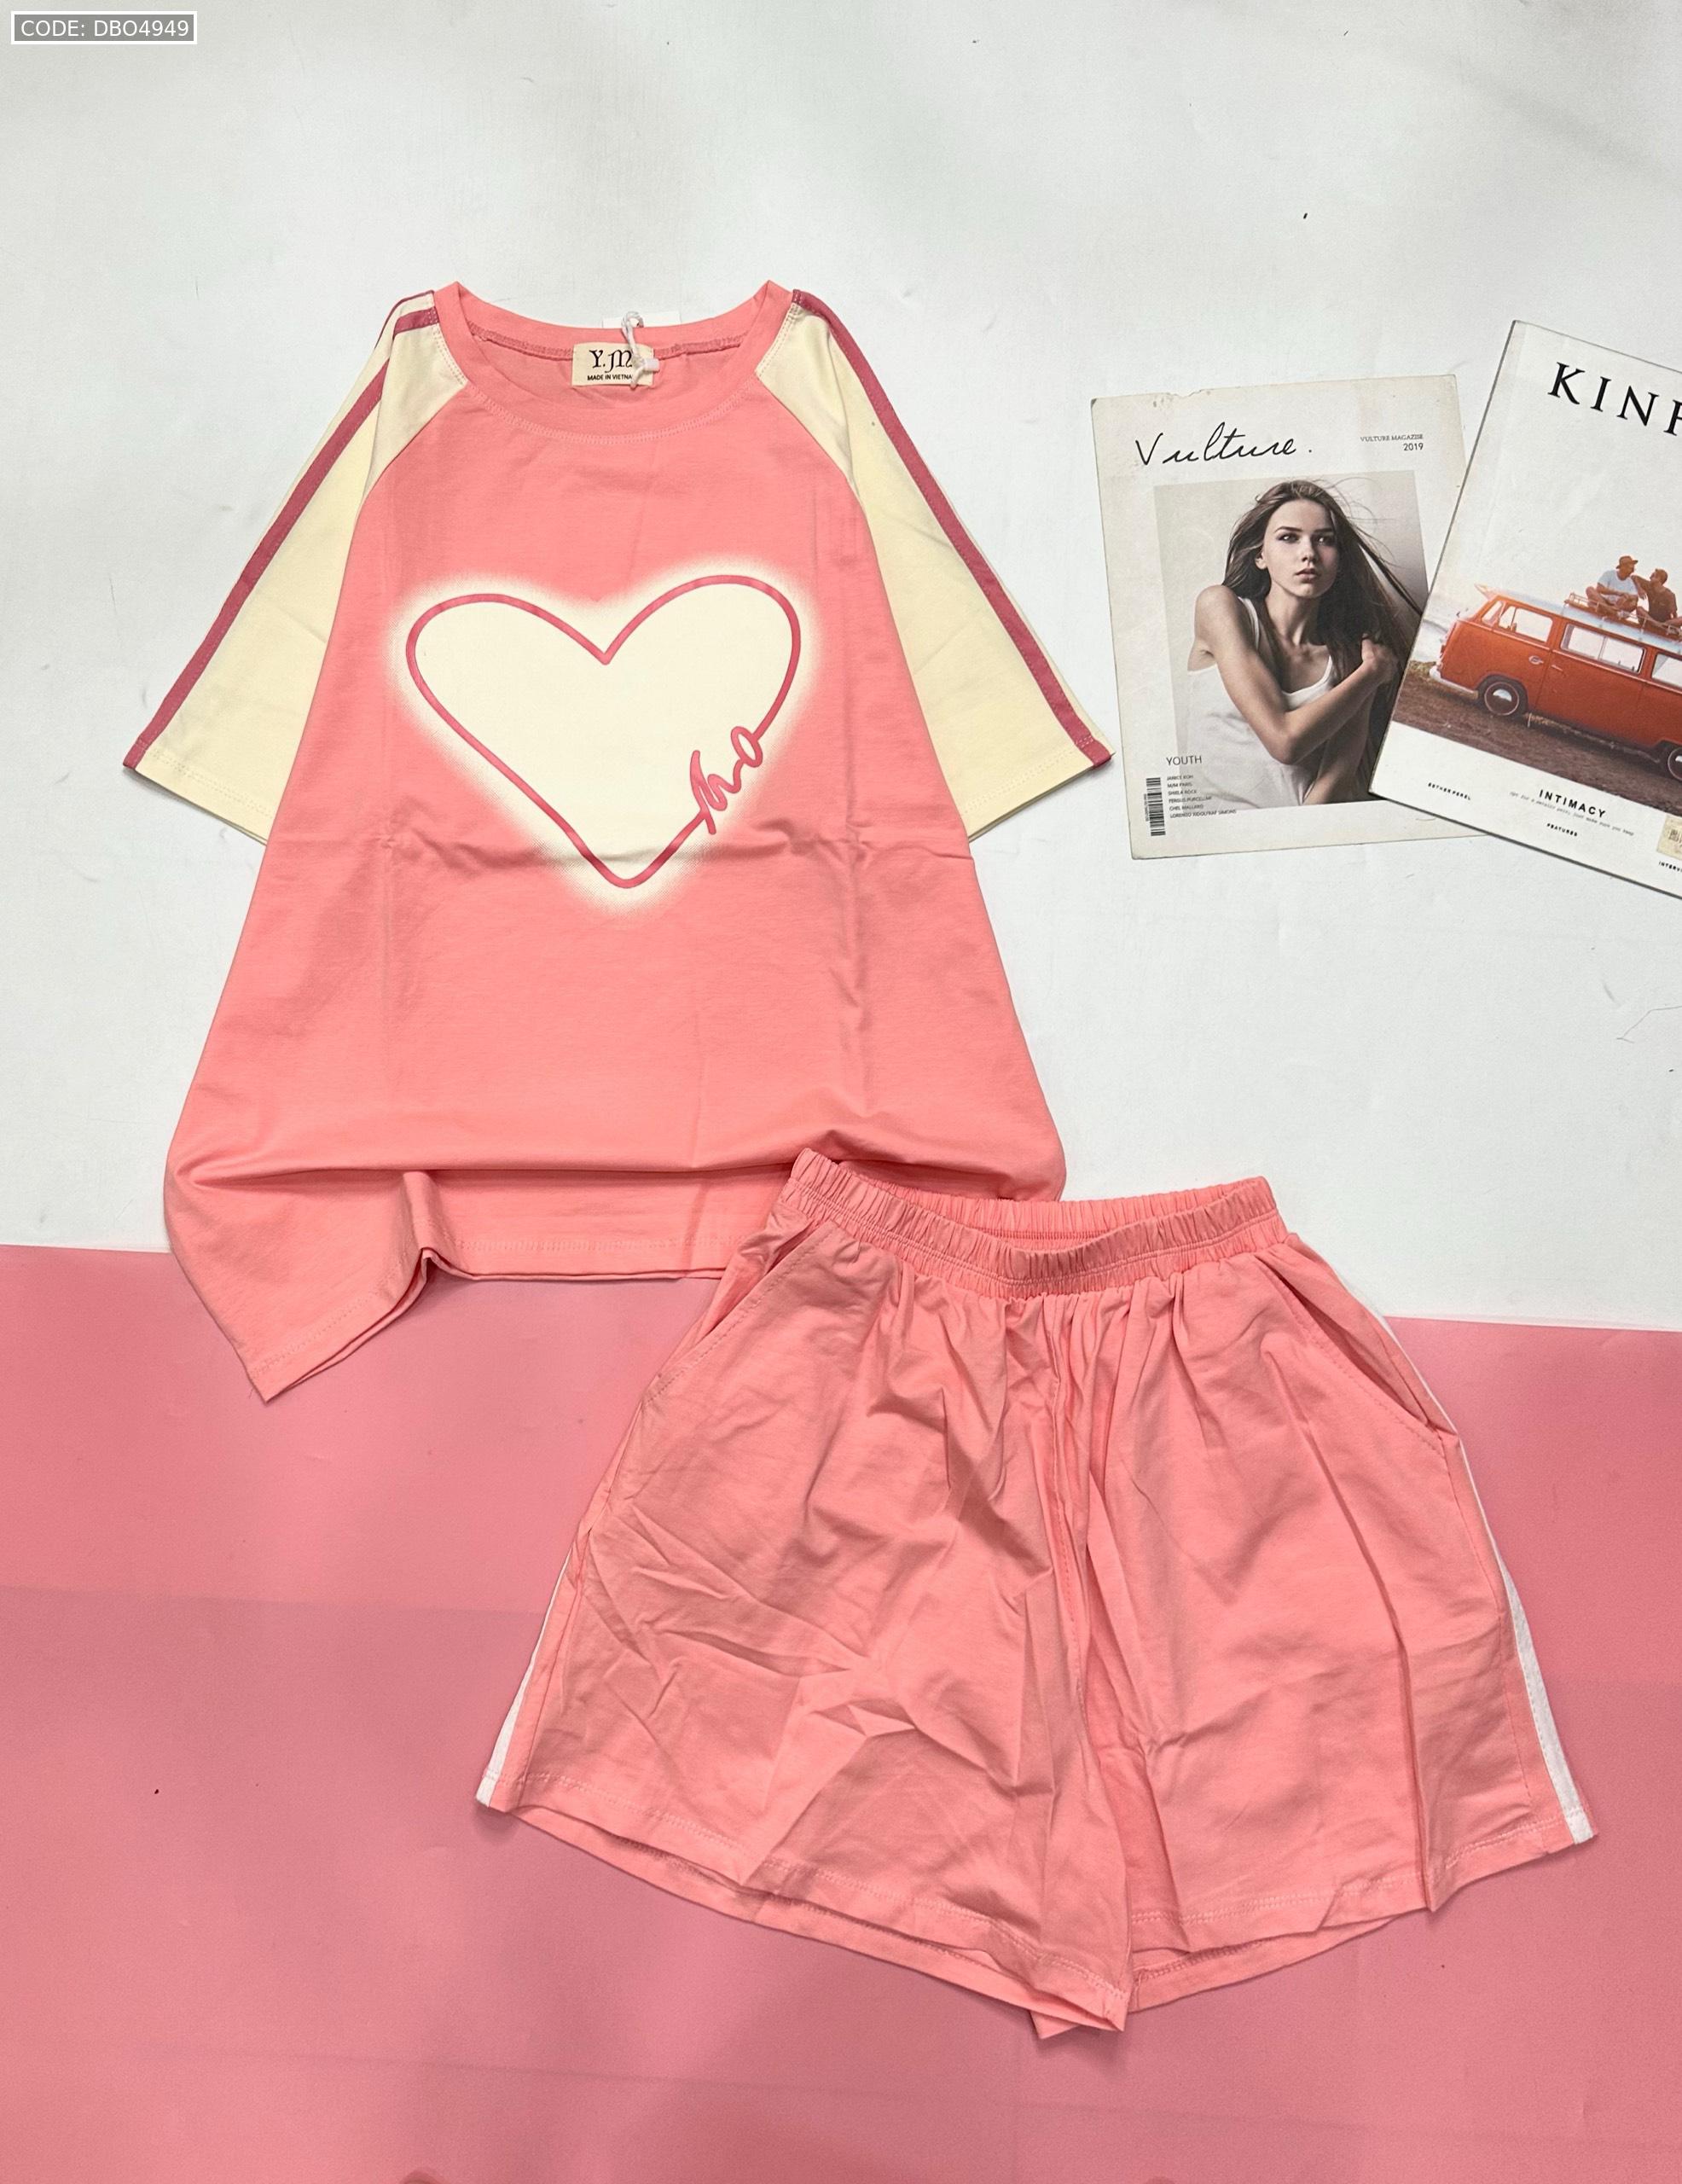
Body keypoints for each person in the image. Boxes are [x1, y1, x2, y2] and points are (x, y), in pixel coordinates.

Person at [1183, 479, 1418, 809]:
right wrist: (1371, 676)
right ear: (1260, 555)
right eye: (1288, 538)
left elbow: (1332, 786)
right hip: (1218, 831)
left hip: (1306, 830)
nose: (1308, 553)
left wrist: (1367, 676)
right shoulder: (1221, 608)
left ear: (1339, 560)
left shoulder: (1351, 658)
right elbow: (1284, 742)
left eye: (1324, 540)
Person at [1586, 555, 1642, 619]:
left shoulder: (1630, 582)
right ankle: (1611, 612)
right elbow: (1599, 588)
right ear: (1623, 567)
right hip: (1602, 601)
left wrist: (1627, 596)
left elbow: (1635, 597)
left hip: (1617, 607)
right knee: (1590, 589)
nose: (1632, 571)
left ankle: (1606, 610)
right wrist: (1618, 593)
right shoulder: (1609, 574)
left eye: (1633, 569)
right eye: (1631, 568)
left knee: (1633, 603)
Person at [1637, 566, 1679, 636]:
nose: (1650, 577)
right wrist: (1639, 589)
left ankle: (1661, 626)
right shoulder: (1649, 586)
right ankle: (1658, 626)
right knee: (1639, 609)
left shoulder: (1669, 595)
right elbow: (1634, 577)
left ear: (1658, 578)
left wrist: (1676, 627)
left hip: (1665, 622)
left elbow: (1674, 613)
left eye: (1652, 576)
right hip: (1651, 617)